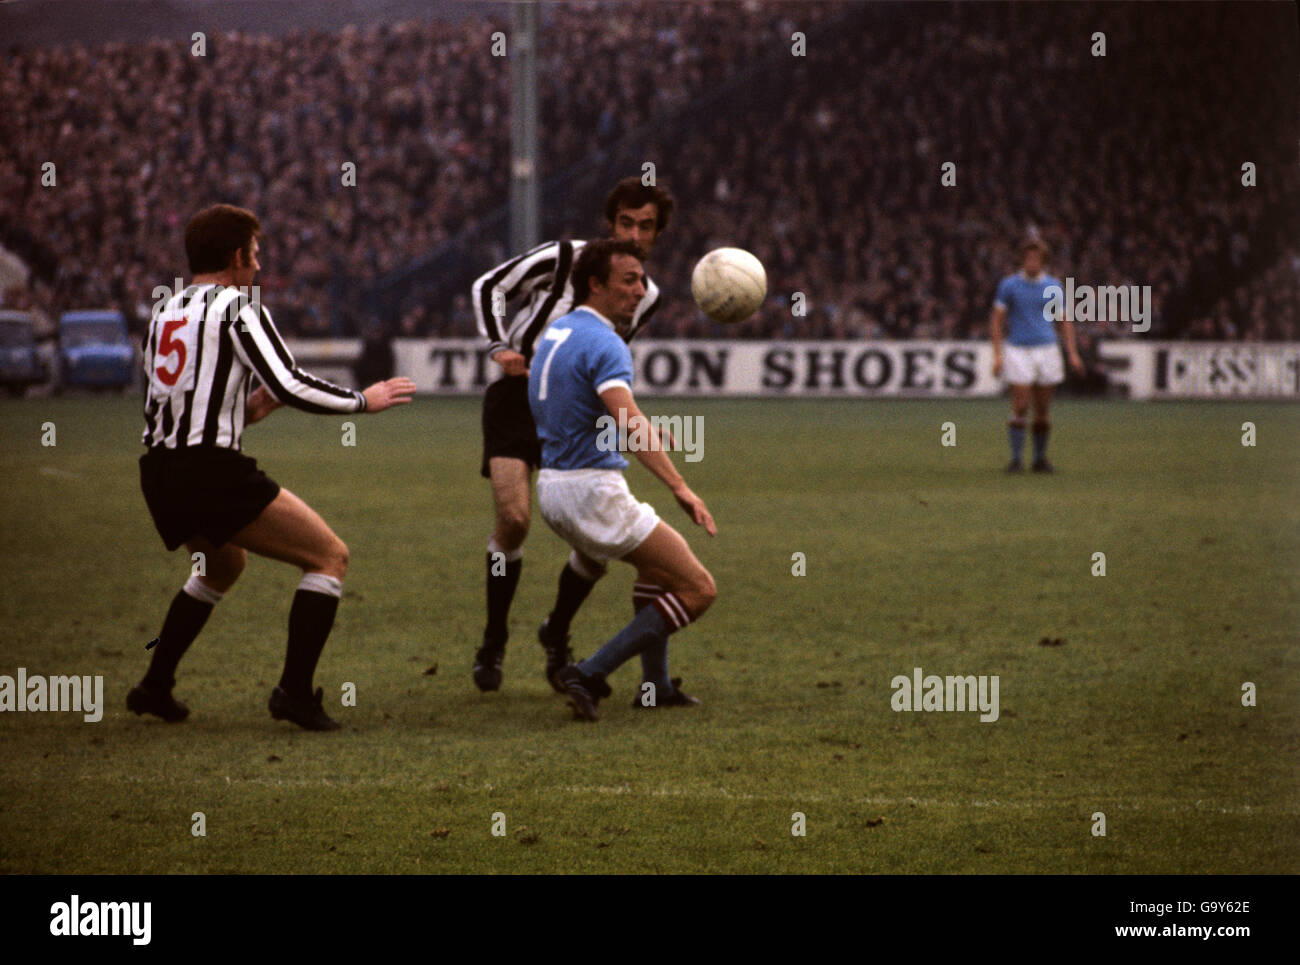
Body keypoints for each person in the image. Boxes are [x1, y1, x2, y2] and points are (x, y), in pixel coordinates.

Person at [129, 204, 415, 730]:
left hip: (160, 471)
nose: (259, 267)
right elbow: (290, 382)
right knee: (329, 557)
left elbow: (179, 406)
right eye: (255, 255)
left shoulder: (165, 312)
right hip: (210, 471)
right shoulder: (239, 308)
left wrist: (246, 412)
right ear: (236, 256)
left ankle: (154, 685)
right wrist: (362, 401)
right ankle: (295, 694)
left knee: (222, 566)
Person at [468, 177, 676, 693]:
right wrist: (498, 345)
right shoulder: (564, 257)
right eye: (625, 222)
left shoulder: (644, 295)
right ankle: (494, 637)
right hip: (517, 398)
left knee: (598, 542)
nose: (634, 233)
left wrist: (636, 425)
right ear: (610, 224)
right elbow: (489, 286)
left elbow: (608, 362)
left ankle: (555, 630)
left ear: (657, 233)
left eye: (645, 226)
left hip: (577, 412)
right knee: (513, 521)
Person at [527, 239, 716, 721]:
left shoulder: (556, 333)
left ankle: (655, 687)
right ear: (596, 284)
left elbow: (583, 411)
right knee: (698, 589)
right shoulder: (607, 342)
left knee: (656, 572)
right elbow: (628, 425)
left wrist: (643, 430)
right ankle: (589, 671)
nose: (640, 290)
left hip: (553, 487)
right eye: (629, 280)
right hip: (592, 491)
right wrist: (680, 486)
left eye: (641, 279)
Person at [990, 238, 1084, 472]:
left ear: (1043, 261)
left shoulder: (1053, 286)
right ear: (1022, 260)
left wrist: (1072, 353)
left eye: (1037, 258)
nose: (1032, 262)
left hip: (1047, 349)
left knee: (1042, 410)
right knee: (1021, 405)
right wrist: (998, 354)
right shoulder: (1009, 285)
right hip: (1018, 349)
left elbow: (1064, 321)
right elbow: (997, 320)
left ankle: (1040, 459)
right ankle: (1016, 460)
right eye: (1028, 258)